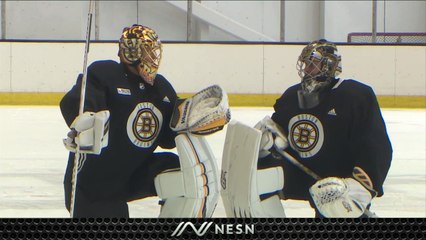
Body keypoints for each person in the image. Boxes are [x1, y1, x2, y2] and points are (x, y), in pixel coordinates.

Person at [60, 24, 229, 218]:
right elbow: (79, 100)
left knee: (190, 174)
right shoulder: (105, 74)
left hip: (134, 171)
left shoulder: (161, 88)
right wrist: (84, 119)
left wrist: (197, 122)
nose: (154, 57)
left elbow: (168, 138)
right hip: (95, 184)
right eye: (148, 51)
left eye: (154, 51)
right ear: (131, 52)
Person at [221, 39, 393, 218]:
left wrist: (361, 187)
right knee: (257, 183)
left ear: (328, 66)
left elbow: (376, 146)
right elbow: (279, 138)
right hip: (300, 176)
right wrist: (264, 147)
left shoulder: (355, 96)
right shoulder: (291, 96)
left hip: (338, 186)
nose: (307, 69)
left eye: (313, 64)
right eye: (306, 64)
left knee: (333, 211)